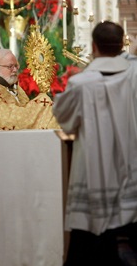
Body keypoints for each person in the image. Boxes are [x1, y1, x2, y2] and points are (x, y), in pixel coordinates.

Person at [53, 21, 137, 266]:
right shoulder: (134, 74)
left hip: (95, 168)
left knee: (88, 241)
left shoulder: (82, 84)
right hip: (131, 167)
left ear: (93, 46)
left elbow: (65, 121)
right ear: (122, 44)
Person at [0, 48, 59, 130]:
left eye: (16, 66)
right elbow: (8, 120)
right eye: (10, 67)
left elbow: (23, 109)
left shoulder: (15, 88)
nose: (15, 70)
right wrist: (41, 104)